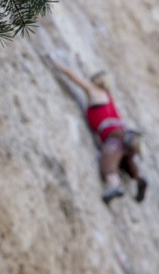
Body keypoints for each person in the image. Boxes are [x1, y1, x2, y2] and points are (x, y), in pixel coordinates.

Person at [51, 60, 147, 204]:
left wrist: (57, 65)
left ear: (96, 81)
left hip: (114, 137)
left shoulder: (93, 90)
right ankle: (139, 177)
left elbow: (73, 77)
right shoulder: (108, 96)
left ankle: (114, 186)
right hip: (126, 136)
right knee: (125, 159)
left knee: (108, 162)